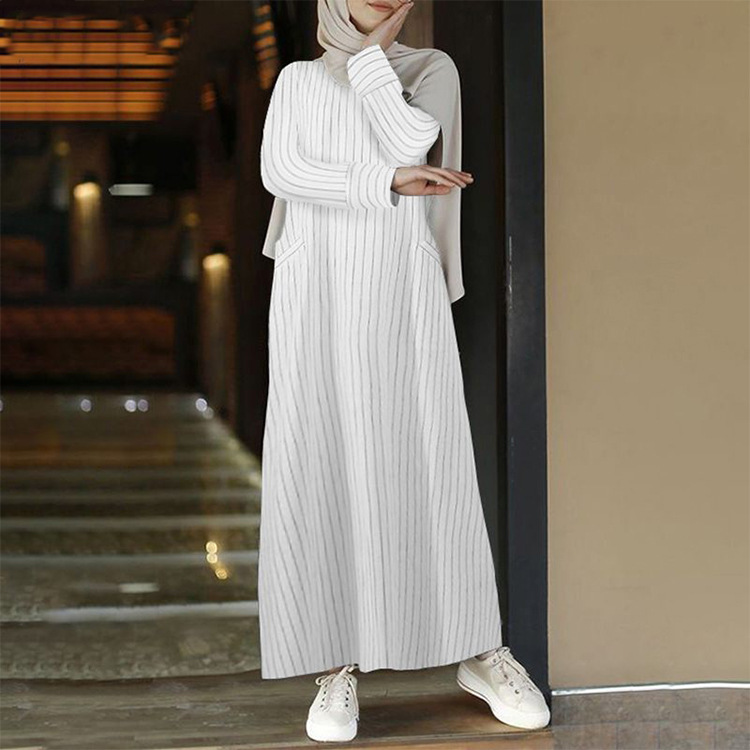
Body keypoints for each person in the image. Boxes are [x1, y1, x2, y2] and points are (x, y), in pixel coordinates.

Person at [257, 0, 550, 742]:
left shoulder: (431, 70)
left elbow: (411, 136)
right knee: (321, 461)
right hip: (314, 289)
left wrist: (368, 62)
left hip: (399, 286)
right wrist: (386, 180)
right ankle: (335, 664)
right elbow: (281, 171)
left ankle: (479, 650)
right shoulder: (296, 80)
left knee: (429, 460)